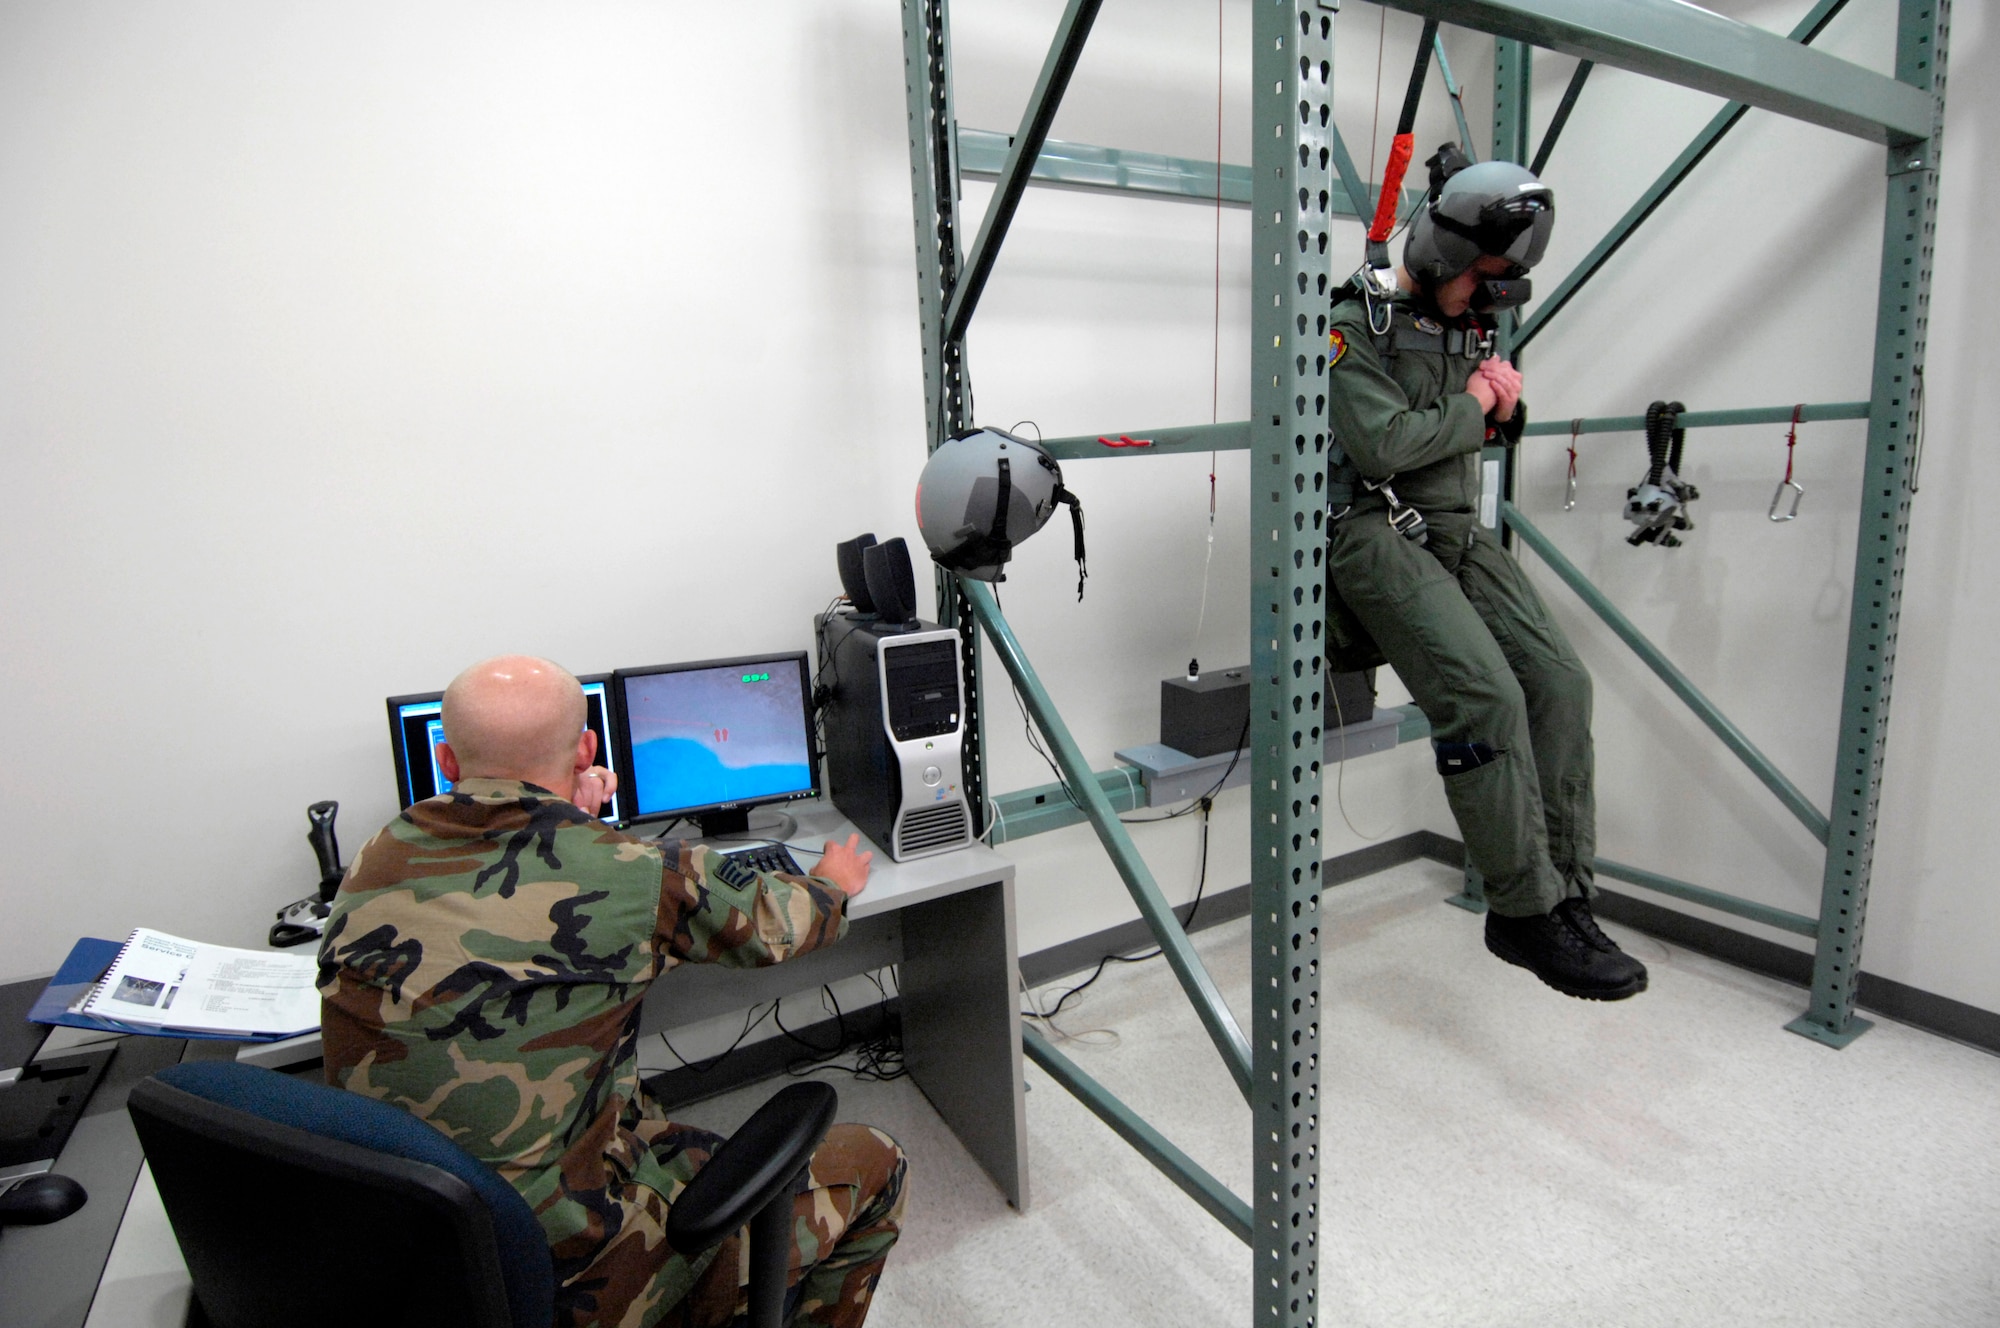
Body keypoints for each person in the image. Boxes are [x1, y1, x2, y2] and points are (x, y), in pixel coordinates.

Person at [317, 655, 906, 1328]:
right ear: (588, 749)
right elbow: (782, 927)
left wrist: (575, 824)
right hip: (565, 1279)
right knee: (878, 1162)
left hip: (417, 1258)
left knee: (650, 1117)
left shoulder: (377, 855)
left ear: (447, 760)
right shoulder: (629, 871)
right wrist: (832, 883)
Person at [1324, 154, 1648, 1002]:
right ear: (1439, 254)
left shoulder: (1468, 320)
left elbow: (1480, 424)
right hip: (1369, 527)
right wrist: (1475, 405)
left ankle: (1567, 897)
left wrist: (1500, 405)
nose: (1489, 297)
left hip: (1457, 530)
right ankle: (1523, 910)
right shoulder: (1350, 320)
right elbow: (1383, 446)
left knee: (1560, 683)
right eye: (1483, 277)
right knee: (1485, 697)